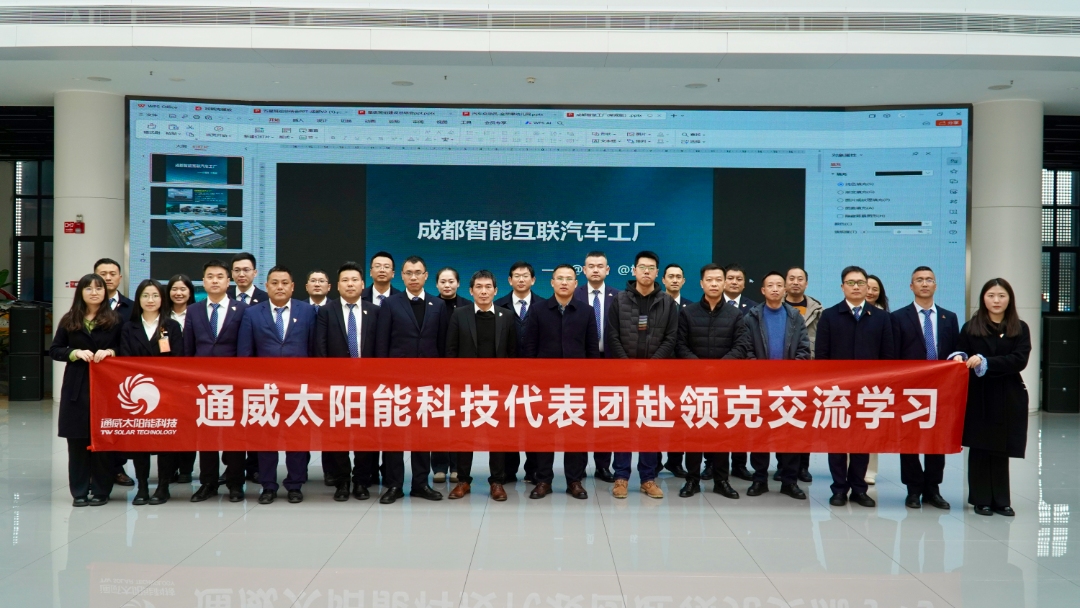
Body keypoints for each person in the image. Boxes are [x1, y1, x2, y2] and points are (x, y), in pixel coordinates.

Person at [816, 265, 895, 508]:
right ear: (842, 287)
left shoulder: (881, 317)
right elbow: (822, 356)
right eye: (851, 283)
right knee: (837, 443)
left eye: (861, 283)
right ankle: (839, 488)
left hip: (868, 392)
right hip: (837, 391)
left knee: (863, 441)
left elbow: (887, 357)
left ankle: (859, 489)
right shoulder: (830, 316)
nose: (856, 287)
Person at [238, 266, 317, 504]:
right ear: (266, 286)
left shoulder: (307, 311)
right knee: (266, 439)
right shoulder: (252, 313)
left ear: (292, 287)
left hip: (298, 389)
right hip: (264, 389)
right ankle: (268, 485)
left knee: (297, 438)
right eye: (274, 283)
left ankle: (295, 484)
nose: (279, 287)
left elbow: (313, 350)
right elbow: (245, 354)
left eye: (284, 283)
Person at [374, 255, 449, 504]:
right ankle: (394, 484)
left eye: (418, 273)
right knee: (394, 434)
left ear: (426, 276)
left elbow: (442, 344)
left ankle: (420, 484)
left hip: (428, 382)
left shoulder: (438, 305)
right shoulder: (390, 304)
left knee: (423, 433)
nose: (413, 277)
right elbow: (382, 343)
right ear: (402, 276)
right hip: (396, 381)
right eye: (409, 273)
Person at [521, 264, 600, 500]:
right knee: (544, 433)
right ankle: (543, 480)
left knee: (575, 433)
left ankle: (574, 481)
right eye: (560, 278)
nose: (564, 282)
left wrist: (591, 382)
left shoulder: (586, 311)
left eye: (569, 279)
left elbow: (592, 349)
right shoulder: (538, 310)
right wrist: (532, 381)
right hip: (544, 384)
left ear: (576, 284)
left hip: (577, 384)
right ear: (552, 282)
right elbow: (530, 347)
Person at [675, 263, 753, 500]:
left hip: (723, 383)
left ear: (725, 283)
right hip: (694, 383)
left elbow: (742, 345)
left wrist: (718, 368)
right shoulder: (688, 312)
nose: (714, 284)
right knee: (693, 433)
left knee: (722, 433)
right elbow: (680, 345)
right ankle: (692, 480)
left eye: (719, 280)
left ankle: (721, 480)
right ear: (701, 283)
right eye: (709, 280)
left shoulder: (735, 314)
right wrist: (701, 368)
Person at [607, 251, 679, 499]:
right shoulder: (619, 299)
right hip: (624, 375)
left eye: (651, 268)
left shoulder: (667, 302)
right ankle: (621, 477)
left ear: (657, 273)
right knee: (623, 425)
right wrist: (628, 366)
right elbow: (612, 335)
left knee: (649, 426)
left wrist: (651, 365)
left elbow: (671, 337)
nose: (646, 271)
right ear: (634, 270)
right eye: (642, 267)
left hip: (654, 375)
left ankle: (648, 478)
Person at [956, 278, 1031, 517]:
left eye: (1001, 296)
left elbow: (1019, 359)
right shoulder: (971, 327)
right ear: (983, 299)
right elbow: (961, 353)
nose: (996, 300)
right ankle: (981, 499)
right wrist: (960, 357)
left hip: (1008, 393)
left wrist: (987, 361)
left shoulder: (1020, 327)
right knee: (980, 446)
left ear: (1009, 299)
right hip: (979, 393)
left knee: (1001, 446)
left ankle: (1001, 500)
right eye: (991, 295)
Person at [50, 273, 122, 507]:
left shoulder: (115, 319)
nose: (94, 292)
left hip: (106, 385)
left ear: (105, 292)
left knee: (103, 439)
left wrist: (111, 352)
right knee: (77, 441)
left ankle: (101, 490)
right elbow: (55, 349)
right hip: (77, 385)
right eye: (89, 288)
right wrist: (74, 353)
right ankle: (79, 491)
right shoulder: (70, 319)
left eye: (99, 288)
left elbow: (125, 347)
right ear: (80, 292)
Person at [446, 270, 518, 501]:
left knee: (497, 436)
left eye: (488, 287)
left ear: (496, 290)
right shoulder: (460, 315)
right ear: (471, 291)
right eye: (479, 287)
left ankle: (497, 481)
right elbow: (451, 352)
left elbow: (513, 353)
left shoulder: (507, 316)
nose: (484, 291)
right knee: (464, 435)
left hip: (498, 388)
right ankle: (463, 481)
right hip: (466, 388)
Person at [892, 266, 959, 510]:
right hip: (910, 390)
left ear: (935, 285)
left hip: (941, 390)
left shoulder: (949, 317)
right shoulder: (898, 317)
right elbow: (893, 355)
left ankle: (933, 489)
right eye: (919, 280)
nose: (924, 283)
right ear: (911, 286)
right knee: (909, 440)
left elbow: (955, 349)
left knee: (936, 440)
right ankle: (913, 489)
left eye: (929, 280)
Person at [740, 271, 811, 500]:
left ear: (785, 289)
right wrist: (761, 373)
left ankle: (789, 482)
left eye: (779, 285)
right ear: (763, 290)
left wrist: (790, 373)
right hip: (760, 386)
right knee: (759, 434)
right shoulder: (751, 316)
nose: (775, 289)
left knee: (790, 434)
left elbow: (804, 350)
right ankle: (759, 479)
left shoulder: (795, 316)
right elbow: (746, 350)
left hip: (789, 387)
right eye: (770, 285)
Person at [183, 259, 250, 503]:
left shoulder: (242, 310)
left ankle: (235, 483)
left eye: (220, 277)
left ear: (228, 281)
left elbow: (245, 348)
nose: (214, 281)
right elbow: (189, 349)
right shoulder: (194, 310)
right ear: (203, 281)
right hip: (202, 384)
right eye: (210, 276)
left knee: (235, 436)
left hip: (233, 384)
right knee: (206, 435)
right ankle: (208, 483)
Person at [315, 262, 380, 501]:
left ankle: (361, 481)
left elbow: (380, 348)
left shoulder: (375, 311)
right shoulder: (326, 311)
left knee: (365, 434)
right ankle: (342, 481)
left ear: (363, 284)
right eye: (345, 280)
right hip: (336, 384)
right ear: (337, 285)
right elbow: (320, 348)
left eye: (354, 280)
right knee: (338, 434)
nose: (350, 284)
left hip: (368, 384)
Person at [118, 279, 184, 506]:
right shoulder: (129, 327)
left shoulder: (171, 327)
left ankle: (163, 486)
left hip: (166, 393)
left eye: (155, 295)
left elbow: (178, 360)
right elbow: (125, 360)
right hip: (139, 394)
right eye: (145, 295)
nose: (150, 300)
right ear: (139, 299)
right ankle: (142, 486)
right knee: (141, 442)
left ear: (162, 299)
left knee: (165, 442)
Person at [573, 251, 619, 483]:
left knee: (605, 415)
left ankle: (603, 466)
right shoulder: (574, 294)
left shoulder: (618, 297)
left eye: (600, 266)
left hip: (609, 362)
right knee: (580, 414)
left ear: (607, 270)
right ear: (583, 270)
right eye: (591, 266)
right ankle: (578, 466)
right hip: (582, 362)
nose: (595, 270)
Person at [494, 261, 537, 483]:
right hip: (505, 374)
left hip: (535, 375)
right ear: (510, 280)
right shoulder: (498, 306)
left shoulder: (543, 305)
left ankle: (533, 470)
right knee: (508, 421)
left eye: (525, 275)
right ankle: (508, 470)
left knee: (533, 420)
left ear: (533, 280)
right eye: (516, 276)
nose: (521, 279)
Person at [94, 257, 135, 488]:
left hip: (121, 376)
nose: (108, 278)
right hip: (94, 374)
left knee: (119, 422)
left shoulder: (131, 307)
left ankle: (117, 468)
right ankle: (94, 470)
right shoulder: (85, 306)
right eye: (103, 274)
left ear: (120, 277)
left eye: (112, 274)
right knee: (95, 421)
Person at [783, 266, 821, 483]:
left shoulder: (818, 310)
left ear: (806, 283)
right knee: (782, 419)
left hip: (808, 374)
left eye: (800, 279)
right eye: (791, 278)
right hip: (781, 374)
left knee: (803, 422)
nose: (795, 282)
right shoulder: (775, 306)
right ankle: (783, 466)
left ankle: (803, 466)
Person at [432, 266, 470, 483]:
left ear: (458, 283)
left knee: (458, 419)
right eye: (443, 282)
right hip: (436, 370)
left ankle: (457, 467)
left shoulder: (468, 305)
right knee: (438, 418)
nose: (447, 285)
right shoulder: (431, 305)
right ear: (437, 284)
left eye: (451, 281)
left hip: (461, 371)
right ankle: (439, 466)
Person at [721, 263, 757, 481]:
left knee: (740, 419)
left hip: (743, 373)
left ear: (744, 283)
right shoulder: (712, 304)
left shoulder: (754, 309)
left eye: (739, 279)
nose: (734, 282)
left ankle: (740, 464)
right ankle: (712, 464)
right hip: (717, 372)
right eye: (730, 278)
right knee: (716, 419)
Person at [658, 263, 689, 478]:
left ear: (684, 281)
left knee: (679, 418)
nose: (675, 280)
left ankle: (675, 461)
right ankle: (655, 461)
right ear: (663, 280)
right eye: (671, 276)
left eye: (679, 276)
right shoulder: (654, 304)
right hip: (659, 367)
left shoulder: (690, 307)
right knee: (656, 415)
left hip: (683, 370)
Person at [166, 273, 197, 484]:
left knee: (188, 424)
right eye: (174, 289)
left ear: (190, 292)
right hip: (167, 380)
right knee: (169, 424)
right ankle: (169, 468)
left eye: (183, 289)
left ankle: (186, 468)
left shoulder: (196, 313)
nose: (178, 293)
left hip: (191, 378)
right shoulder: (161, 315)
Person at [862, 274, 890, 485]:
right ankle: (848, 468)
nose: (870, 292)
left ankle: (869, 471)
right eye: (867, 287)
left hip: (875, 383)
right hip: (849, 382)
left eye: (875, 289)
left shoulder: (885, 318)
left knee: (871, 427)